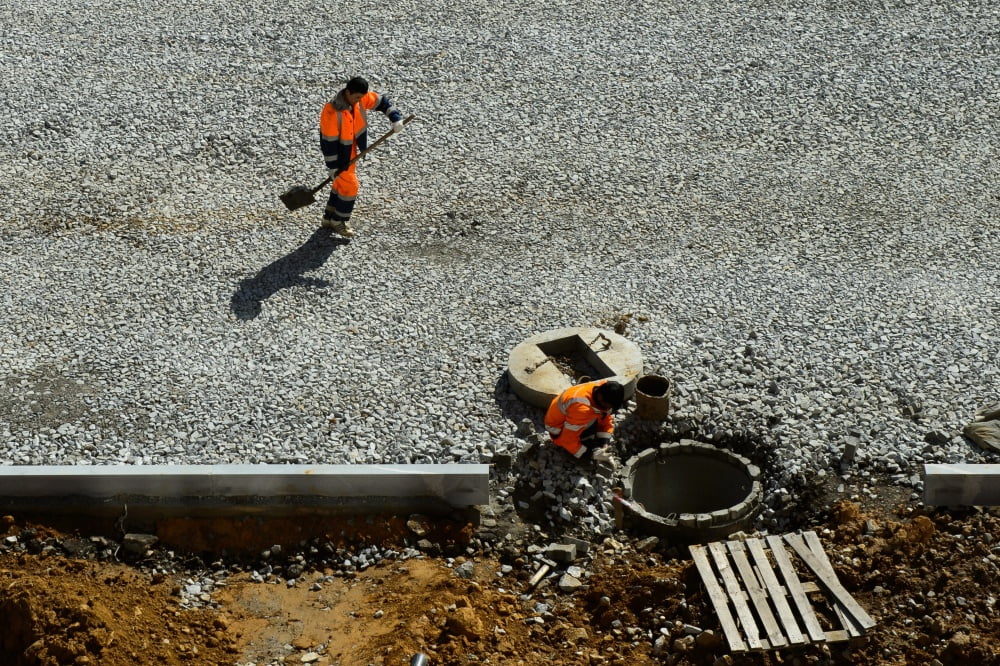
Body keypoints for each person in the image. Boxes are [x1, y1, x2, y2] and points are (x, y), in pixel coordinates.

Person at [319, 76, 404, 238]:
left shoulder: (359, 99)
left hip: (351, 150)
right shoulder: (331, 112)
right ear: (348, 92)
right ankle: (339, 220)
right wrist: (332, 166)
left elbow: (381, 101)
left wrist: (395, 117)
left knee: (340, 185)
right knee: (351, 186)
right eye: (357, 97)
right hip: (340, 156)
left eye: (361, 97)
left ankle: (328, 218)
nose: (359, 100)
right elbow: (328, 142)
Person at [544, 379, 625, 460]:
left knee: (598, 413)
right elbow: (567, 440)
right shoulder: (582, 409)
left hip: (570, 416)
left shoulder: (602, 387)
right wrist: (591, 454)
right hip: (556, 430)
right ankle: (573, 451)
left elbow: (605, 417)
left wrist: (604, 443)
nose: (608, 409)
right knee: (581, 448)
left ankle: (586, 441)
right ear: (600, 397)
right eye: (608, 406)